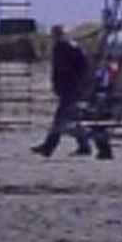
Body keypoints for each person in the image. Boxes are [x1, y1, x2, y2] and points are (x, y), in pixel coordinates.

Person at [35, 24, 94, 156]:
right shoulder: (58, 49)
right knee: (74, 120)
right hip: (65, 88)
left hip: (73, 89)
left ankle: (48, 147)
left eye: (59, 34)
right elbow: (57, 70)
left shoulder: (73, 48)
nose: (57, 37)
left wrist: (81, 85)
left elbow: (84, 68)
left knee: (60, 119)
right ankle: (84, 146)